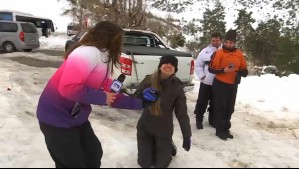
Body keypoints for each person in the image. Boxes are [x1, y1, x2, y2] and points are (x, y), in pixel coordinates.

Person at [36, 21, 157, 168]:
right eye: (119, 39)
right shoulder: (86, 53)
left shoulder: (103, 56)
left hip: (76, 117)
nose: (121, 44)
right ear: (110, 38)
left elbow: (109, 91)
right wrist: (102, 97)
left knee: (93, 154)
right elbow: (68, 88)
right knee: (73, 163)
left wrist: (139, 101)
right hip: (55, 118)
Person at [134, 55, 192, 168]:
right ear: (160, 66)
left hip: (164, 130)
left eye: (172, 65)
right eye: (166, 63)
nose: (169, 65)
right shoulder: (149, 79)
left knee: (161, 165)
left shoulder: (177, 87)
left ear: (175, 70)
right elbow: (134, 99)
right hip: (145, 128)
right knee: (144, 163)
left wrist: (187, 135)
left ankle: (168, 145)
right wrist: (142, 95)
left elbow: (182, 114)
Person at [208, 30, 248, 140]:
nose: (228, 44)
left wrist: (243, 72)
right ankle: (219, 130)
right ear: (224, 42)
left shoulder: (239, 53)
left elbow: (244, 67)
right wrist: (223, 70)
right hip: (220, 84)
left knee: (230, 108)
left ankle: (226, 128)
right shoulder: (219, 53)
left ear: (234, 43)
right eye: (226, 42)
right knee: (221, 107)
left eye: (231, 43)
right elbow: (211, 68)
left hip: (233, 84)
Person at [194, 32, 222, 129]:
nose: (215, 42)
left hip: (219, 83)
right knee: (202, 102)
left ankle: (212, 120)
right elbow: (198, 65)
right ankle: (199, 119)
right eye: (213, 40)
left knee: (215, 103)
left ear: (220, 40)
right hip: (206, 81)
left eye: (217, 40)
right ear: (211, 40)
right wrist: (202, 76)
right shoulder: (204, 51)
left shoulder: (224, 52)